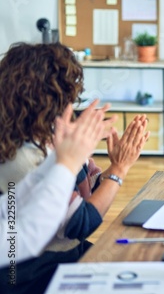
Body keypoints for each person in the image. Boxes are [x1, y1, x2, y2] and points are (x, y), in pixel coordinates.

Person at [0, 42, 150, 293]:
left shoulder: (32, 142)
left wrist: (96, 175)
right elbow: (79, 223)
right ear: (48, 101)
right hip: (35, 275)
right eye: (68, 98)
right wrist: (119, 169)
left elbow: (71, 200)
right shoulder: (22, 158)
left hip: (61, 257)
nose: (72, 105)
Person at [0, 100, 112, 267]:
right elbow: (25, 237)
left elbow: (12, 202)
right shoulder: (21, 158)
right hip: (37, 272)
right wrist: (67, 162)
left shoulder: (36, 151)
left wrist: (63, 156)